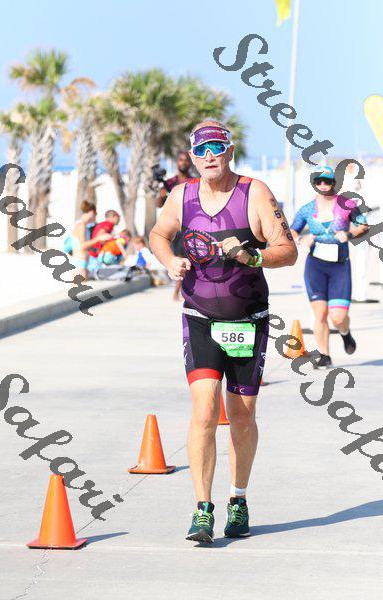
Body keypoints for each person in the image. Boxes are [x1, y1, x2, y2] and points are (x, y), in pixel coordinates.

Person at [149, 119, 297, 543]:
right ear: (193, 157)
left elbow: (288, 250)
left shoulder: (255, 193)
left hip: (248, 320)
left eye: (217, 147)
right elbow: (159, 234)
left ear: (230, 152)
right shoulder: (182, 196)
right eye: (202, 150)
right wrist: (169, 260)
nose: (210, 155)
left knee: (242, 416)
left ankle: (238, 498)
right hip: (199, 317)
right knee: (204, 410)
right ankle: (202, 509)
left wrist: (253, 257)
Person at [290, 166, 369, 369]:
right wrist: (301, 240)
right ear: (314, 184)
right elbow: (292, 231)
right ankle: (324, 355)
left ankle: (345, 332)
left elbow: (363, 225)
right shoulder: (307, 209)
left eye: (327, 181)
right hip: (315, 266)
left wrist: (349, 234)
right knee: (320, 314)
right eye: (319, 181)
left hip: (340, 267)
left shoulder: (346, 205)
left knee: (338, 317)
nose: (323, 185)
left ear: (334, 183)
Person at [157, 151, 193, 301]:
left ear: (190, 162)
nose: (183, 162)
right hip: (176, 228)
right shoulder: (169, 182)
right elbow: (159, 204)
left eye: (186, 160)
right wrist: (162, 194)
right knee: (180, 260)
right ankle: (177, 293)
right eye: (180, 160)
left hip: (191, 225)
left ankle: (181, 292)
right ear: (177, 163)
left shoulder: (195, 181)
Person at [70, 201, 112, 280]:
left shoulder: (84, 225)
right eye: (96, 214)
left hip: (83, 263)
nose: (96, 216)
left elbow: (84, 245)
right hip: (80, 264)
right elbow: (82, 246)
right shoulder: (82, 225)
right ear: (91, 213)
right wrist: (98, 238)